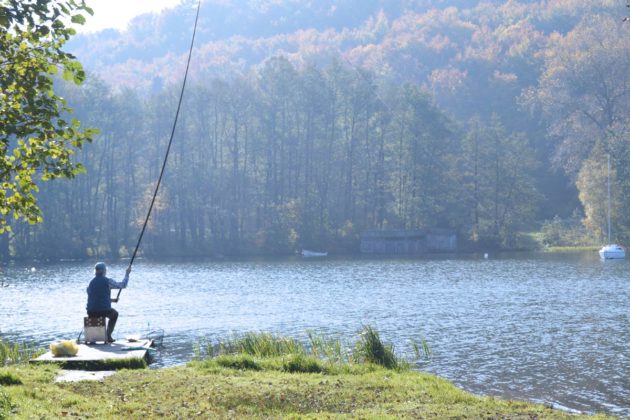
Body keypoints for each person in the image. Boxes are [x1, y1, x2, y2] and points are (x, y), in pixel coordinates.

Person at [86, 262, 131, 343]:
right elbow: (122, 285)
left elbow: (97, 298)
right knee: (114, 314)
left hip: (91, 311)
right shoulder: (107, 281)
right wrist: (127, 274)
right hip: (103, 310)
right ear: (104, 271)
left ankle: (93, 339)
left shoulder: (91, 283)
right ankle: (108, 336)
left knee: (98, 312)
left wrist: (112, 300)